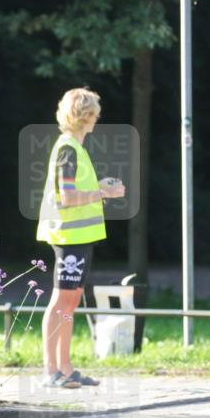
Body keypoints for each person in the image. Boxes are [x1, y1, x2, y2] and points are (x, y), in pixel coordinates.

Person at [37, 88, 125, 389]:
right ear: (86, 116)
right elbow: (67, 197)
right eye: (94, 113)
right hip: (68, 235)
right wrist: (102, 192)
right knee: (62, 300)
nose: (97, 118)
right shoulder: (68, 149)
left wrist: (99, 186)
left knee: (70, 301)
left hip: (79, 236)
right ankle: (52, 370)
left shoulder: (74, 147)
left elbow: (73, 191)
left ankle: (65, 367)